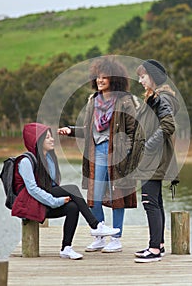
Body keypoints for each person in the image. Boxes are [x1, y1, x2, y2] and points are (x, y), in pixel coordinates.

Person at [58, 56, 137, 253]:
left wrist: (126, 152)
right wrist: (71, 130)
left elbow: (133, 131)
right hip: (97, 153)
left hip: (118, 155)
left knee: (118, 195)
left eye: (105, 77)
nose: (100, 81)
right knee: (95, 196)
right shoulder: (93, 101)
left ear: (114, 79)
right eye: (98, 77)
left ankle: (116, 239)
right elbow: (88, 129)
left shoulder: (125, 101)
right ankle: (100, 235)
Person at [11, 122, 120, 260]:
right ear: (37, 141)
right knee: (73, 189)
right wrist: (56, 201)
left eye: (51, 136)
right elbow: (33, 190)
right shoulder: (26, 162)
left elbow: (53, 185)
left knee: (73, 208)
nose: (52, 139)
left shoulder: (49, 158)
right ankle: (95, 225)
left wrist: (59, 200)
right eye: (47, 137)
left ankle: (66, 248)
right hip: (32, 205)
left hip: (45, 202)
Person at [132, 59, 180, 263]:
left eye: (143, 76)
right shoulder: (156, 98)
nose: (140, 81)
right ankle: (157, 244)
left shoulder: (161, 98)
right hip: (153, 159)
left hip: (153, 159)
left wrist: (148, 146)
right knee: (156, 202)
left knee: (149, 202)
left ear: (153, 77)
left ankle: (153, 250)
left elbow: (168, 125)